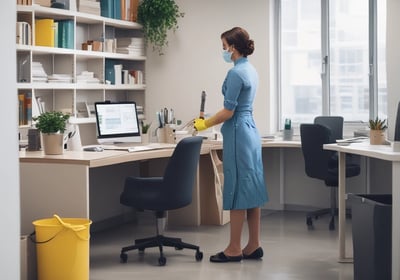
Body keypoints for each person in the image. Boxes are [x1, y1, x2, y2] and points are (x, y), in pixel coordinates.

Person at [194, 27, 268, 263]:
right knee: (252, 190)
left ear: (233, 47)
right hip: (251, 132)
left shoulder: (236, 74)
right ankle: (254, 245)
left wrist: (203, 124)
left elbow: (228, 110)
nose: (223, 51)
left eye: (224, 47)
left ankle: (234, 248)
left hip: (238, 134)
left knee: (236, 190)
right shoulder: (251, 69)